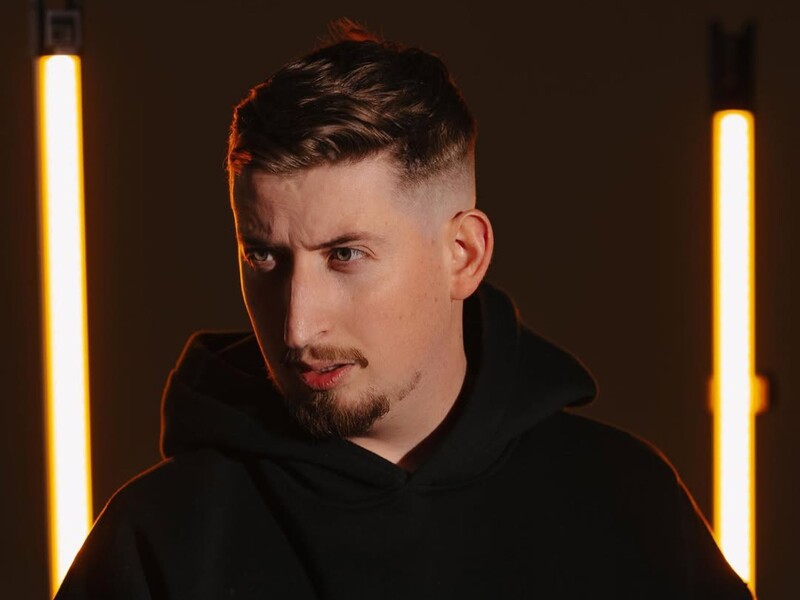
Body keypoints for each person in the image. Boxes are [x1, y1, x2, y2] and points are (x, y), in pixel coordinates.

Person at [56, 18, 754, 600]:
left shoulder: (628, 505)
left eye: (345, 255)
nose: (298, 326)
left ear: (463, 255)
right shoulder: (159, 541)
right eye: (264, 257)